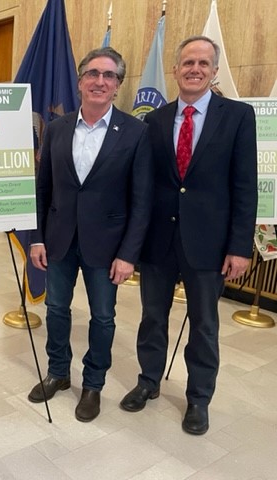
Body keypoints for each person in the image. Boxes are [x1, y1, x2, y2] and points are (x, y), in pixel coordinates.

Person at [120, 36, 257, 435]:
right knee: (151, 318)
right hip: (158, 241)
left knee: (204, 325)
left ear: (214, 71)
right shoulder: (155, 120)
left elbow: (244, 186)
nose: (194, 69)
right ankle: (149, 381)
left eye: (203, 63)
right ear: (176, 70)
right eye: (187, 63)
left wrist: (238, 246)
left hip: (209, 244)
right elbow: (146, 185)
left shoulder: (238, 116)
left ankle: (199, 398)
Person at [28, 47, 153, 422]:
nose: (100, 81)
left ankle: (93, 384)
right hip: (59, 240)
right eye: (93, 74)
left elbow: (142, 200)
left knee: (102, 318)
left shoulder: (136, 132)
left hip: (108, 246)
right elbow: (42, 188)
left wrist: (129, 254)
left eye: (109, 76)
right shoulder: (58, 128)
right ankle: (59, 373)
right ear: (80, 80)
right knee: (55, 308)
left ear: (117, 85)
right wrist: (36, 237)